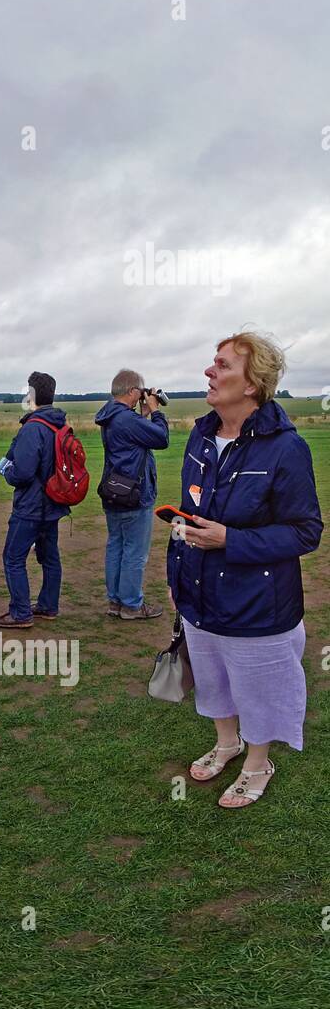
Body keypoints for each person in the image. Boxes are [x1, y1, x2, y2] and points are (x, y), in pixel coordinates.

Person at [166, 331, 319, 808]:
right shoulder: (200, 434)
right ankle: (226, 742)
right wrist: (178, 578)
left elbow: (304, 531)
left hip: (259, 601)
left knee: (257, 687)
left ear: (253, 383)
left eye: (223, 365)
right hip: (198, 591)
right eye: (213, 363)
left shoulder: (285, 448)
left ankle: (257, 762)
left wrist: (231, 540)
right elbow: (193, 514)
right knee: (212, 680)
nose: (210, 372)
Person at [0, 370, 72, 628]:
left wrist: (8, 473)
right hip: (53, 503)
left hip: (31, 506)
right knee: (50, 557)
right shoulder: (60, 423)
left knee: (13, 557)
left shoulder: (33, 428)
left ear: (32, 394)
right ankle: (48, 606)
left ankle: (21, 613)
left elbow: (23, 472)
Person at [96, 370, 172, 620]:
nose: (143, 393)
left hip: (114, 490)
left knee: (116, 547)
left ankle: (115, 602)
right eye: (140, 390)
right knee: (134, 552)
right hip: (134, 493)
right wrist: (156, 412)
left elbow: (132, 440)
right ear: (131, 391)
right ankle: (131, 605)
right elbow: (161, 438)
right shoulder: (125, 419)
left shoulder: (111, 416)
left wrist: (143, 415)